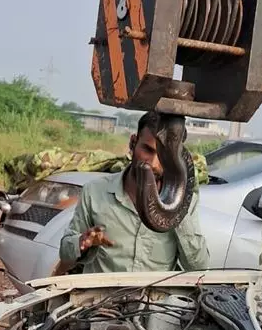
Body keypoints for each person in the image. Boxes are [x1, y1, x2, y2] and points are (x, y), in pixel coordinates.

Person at [58, 111, 209, 276]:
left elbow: (199, 269)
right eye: (147, 150)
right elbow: (65, 252)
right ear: (133, 143)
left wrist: (176, 213)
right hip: (105, 297)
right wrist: (82, 242)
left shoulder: (185, 202)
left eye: (163, 156)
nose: (153, 163)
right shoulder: (94, 192)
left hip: (157, 299)